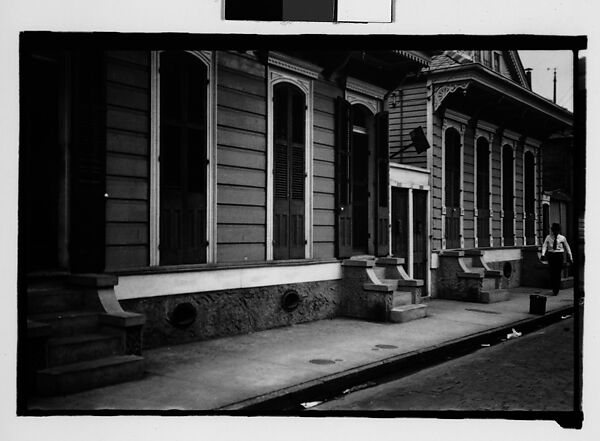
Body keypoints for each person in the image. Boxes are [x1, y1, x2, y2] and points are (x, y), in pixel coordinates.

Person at [541, 223, 573, 295]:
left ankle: (556, 289)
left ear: (558, 231)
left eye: (556, 230)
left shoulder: (562, 238)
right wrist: (543, 254)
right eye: (554, 230)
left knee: (557, 272)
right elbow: (544, 246)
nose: (555, 232)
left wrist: (570, 257)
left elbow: (567, 247)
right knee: (552, 272)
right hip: (551, 255)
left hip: (559, 256)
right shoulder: (548, 237)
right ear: (552, 230)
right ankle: (554, 288)